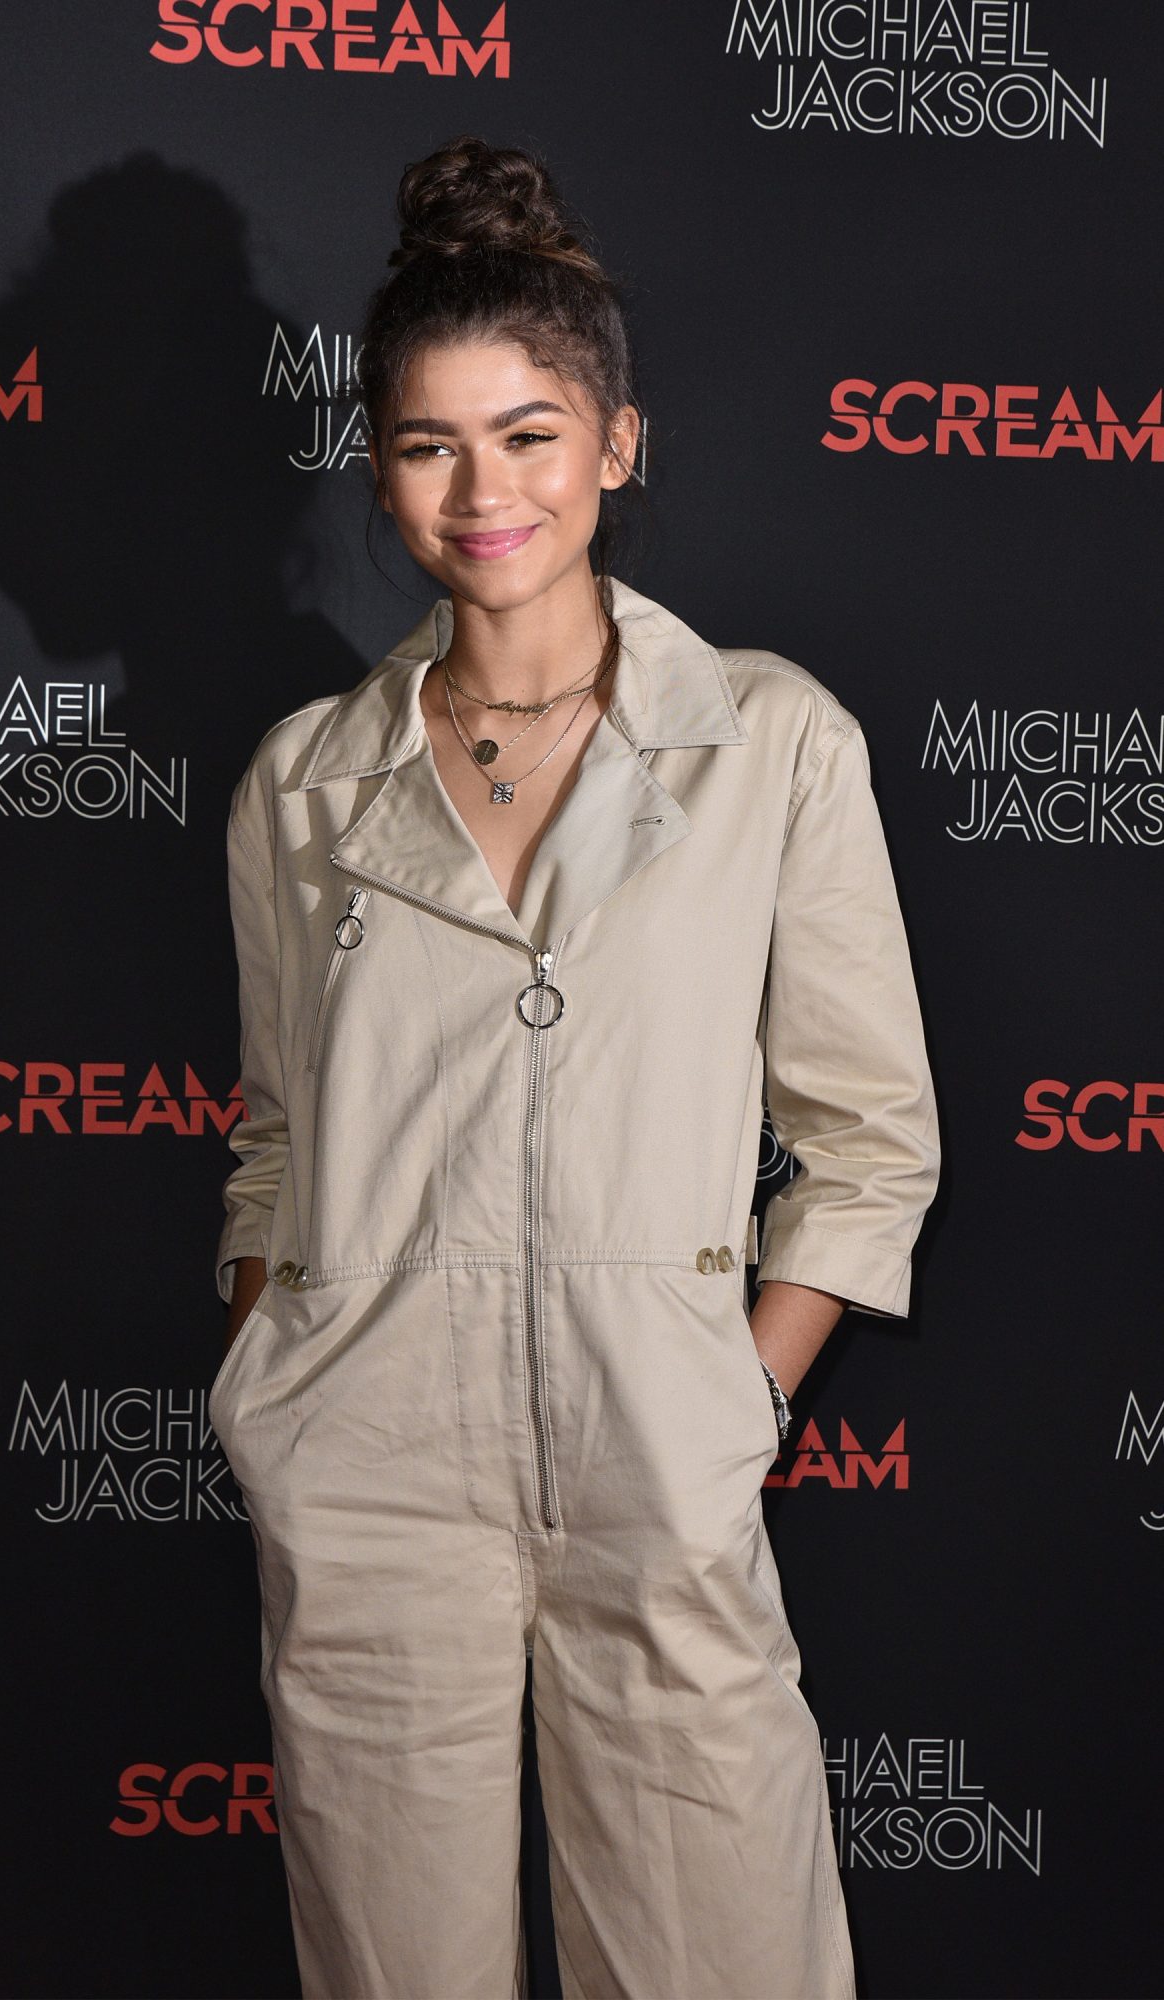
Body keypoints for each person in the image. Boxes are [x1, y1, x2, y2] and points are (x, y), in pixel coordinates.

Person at [210, 134, 941, 2000]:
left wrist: (729, 1399)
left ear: (614, 443)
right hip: (369, 1457)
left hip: (656, 1447)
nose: (483, 488)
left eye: (528, 432)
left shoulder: (768, 739)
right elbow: (278, 1128)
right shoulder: (304, 778)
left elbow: (867, 1142)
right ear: (379, 471)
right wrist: (276, 1357)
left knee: (723, 1960)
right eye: (431, 441)